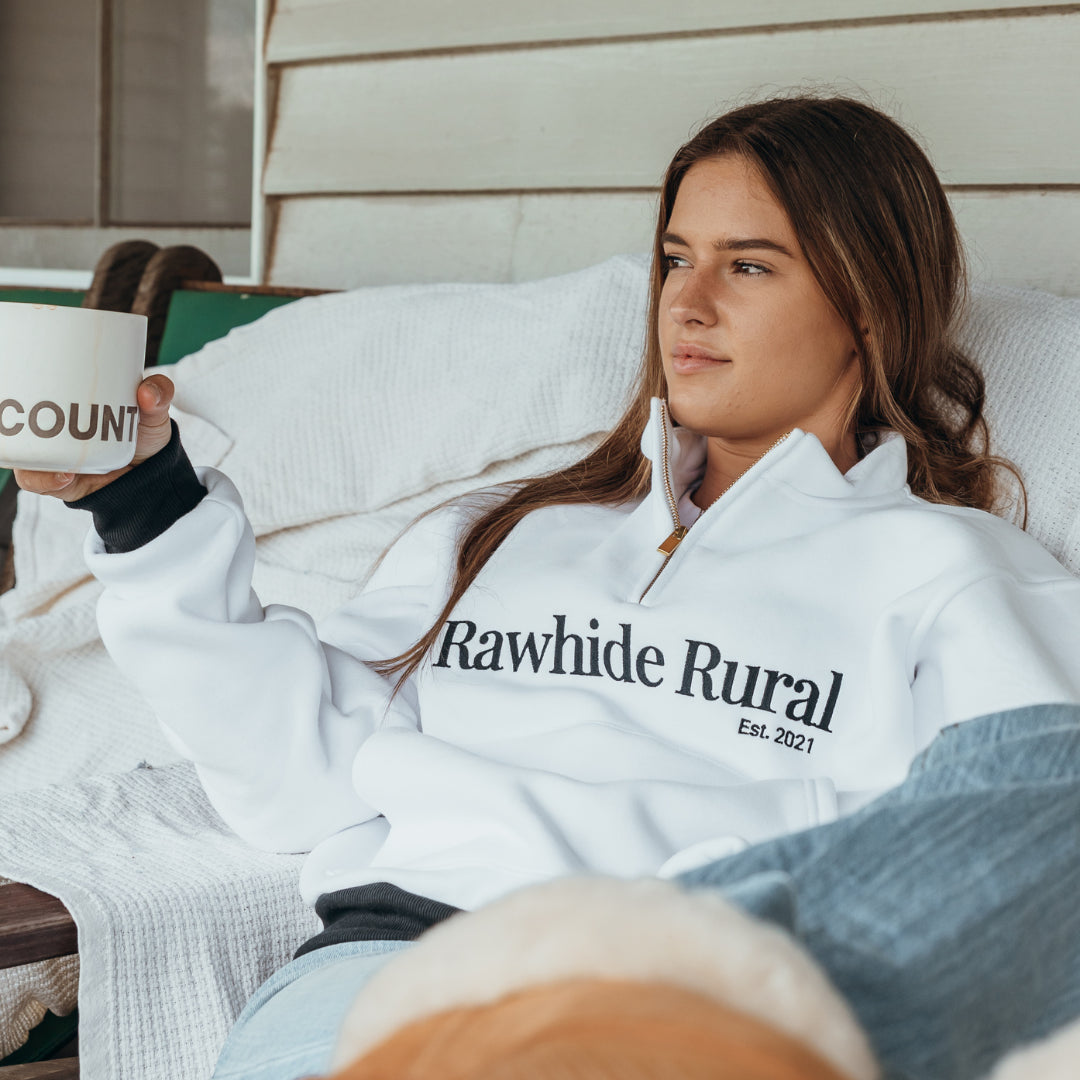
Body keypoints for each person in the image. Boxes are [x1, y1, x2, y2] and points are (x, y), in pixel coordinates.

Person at [16, 94, 1080, 1079]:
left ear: (871, 307)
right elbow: (301, 777)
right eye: (675, 258)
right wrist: (144, 503)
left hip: (677, 992)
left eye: (749, 267)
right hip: (392, 976)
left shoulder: (958, 576)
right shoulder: (510, 527)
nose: (687, 303)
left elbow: (1020, 850)